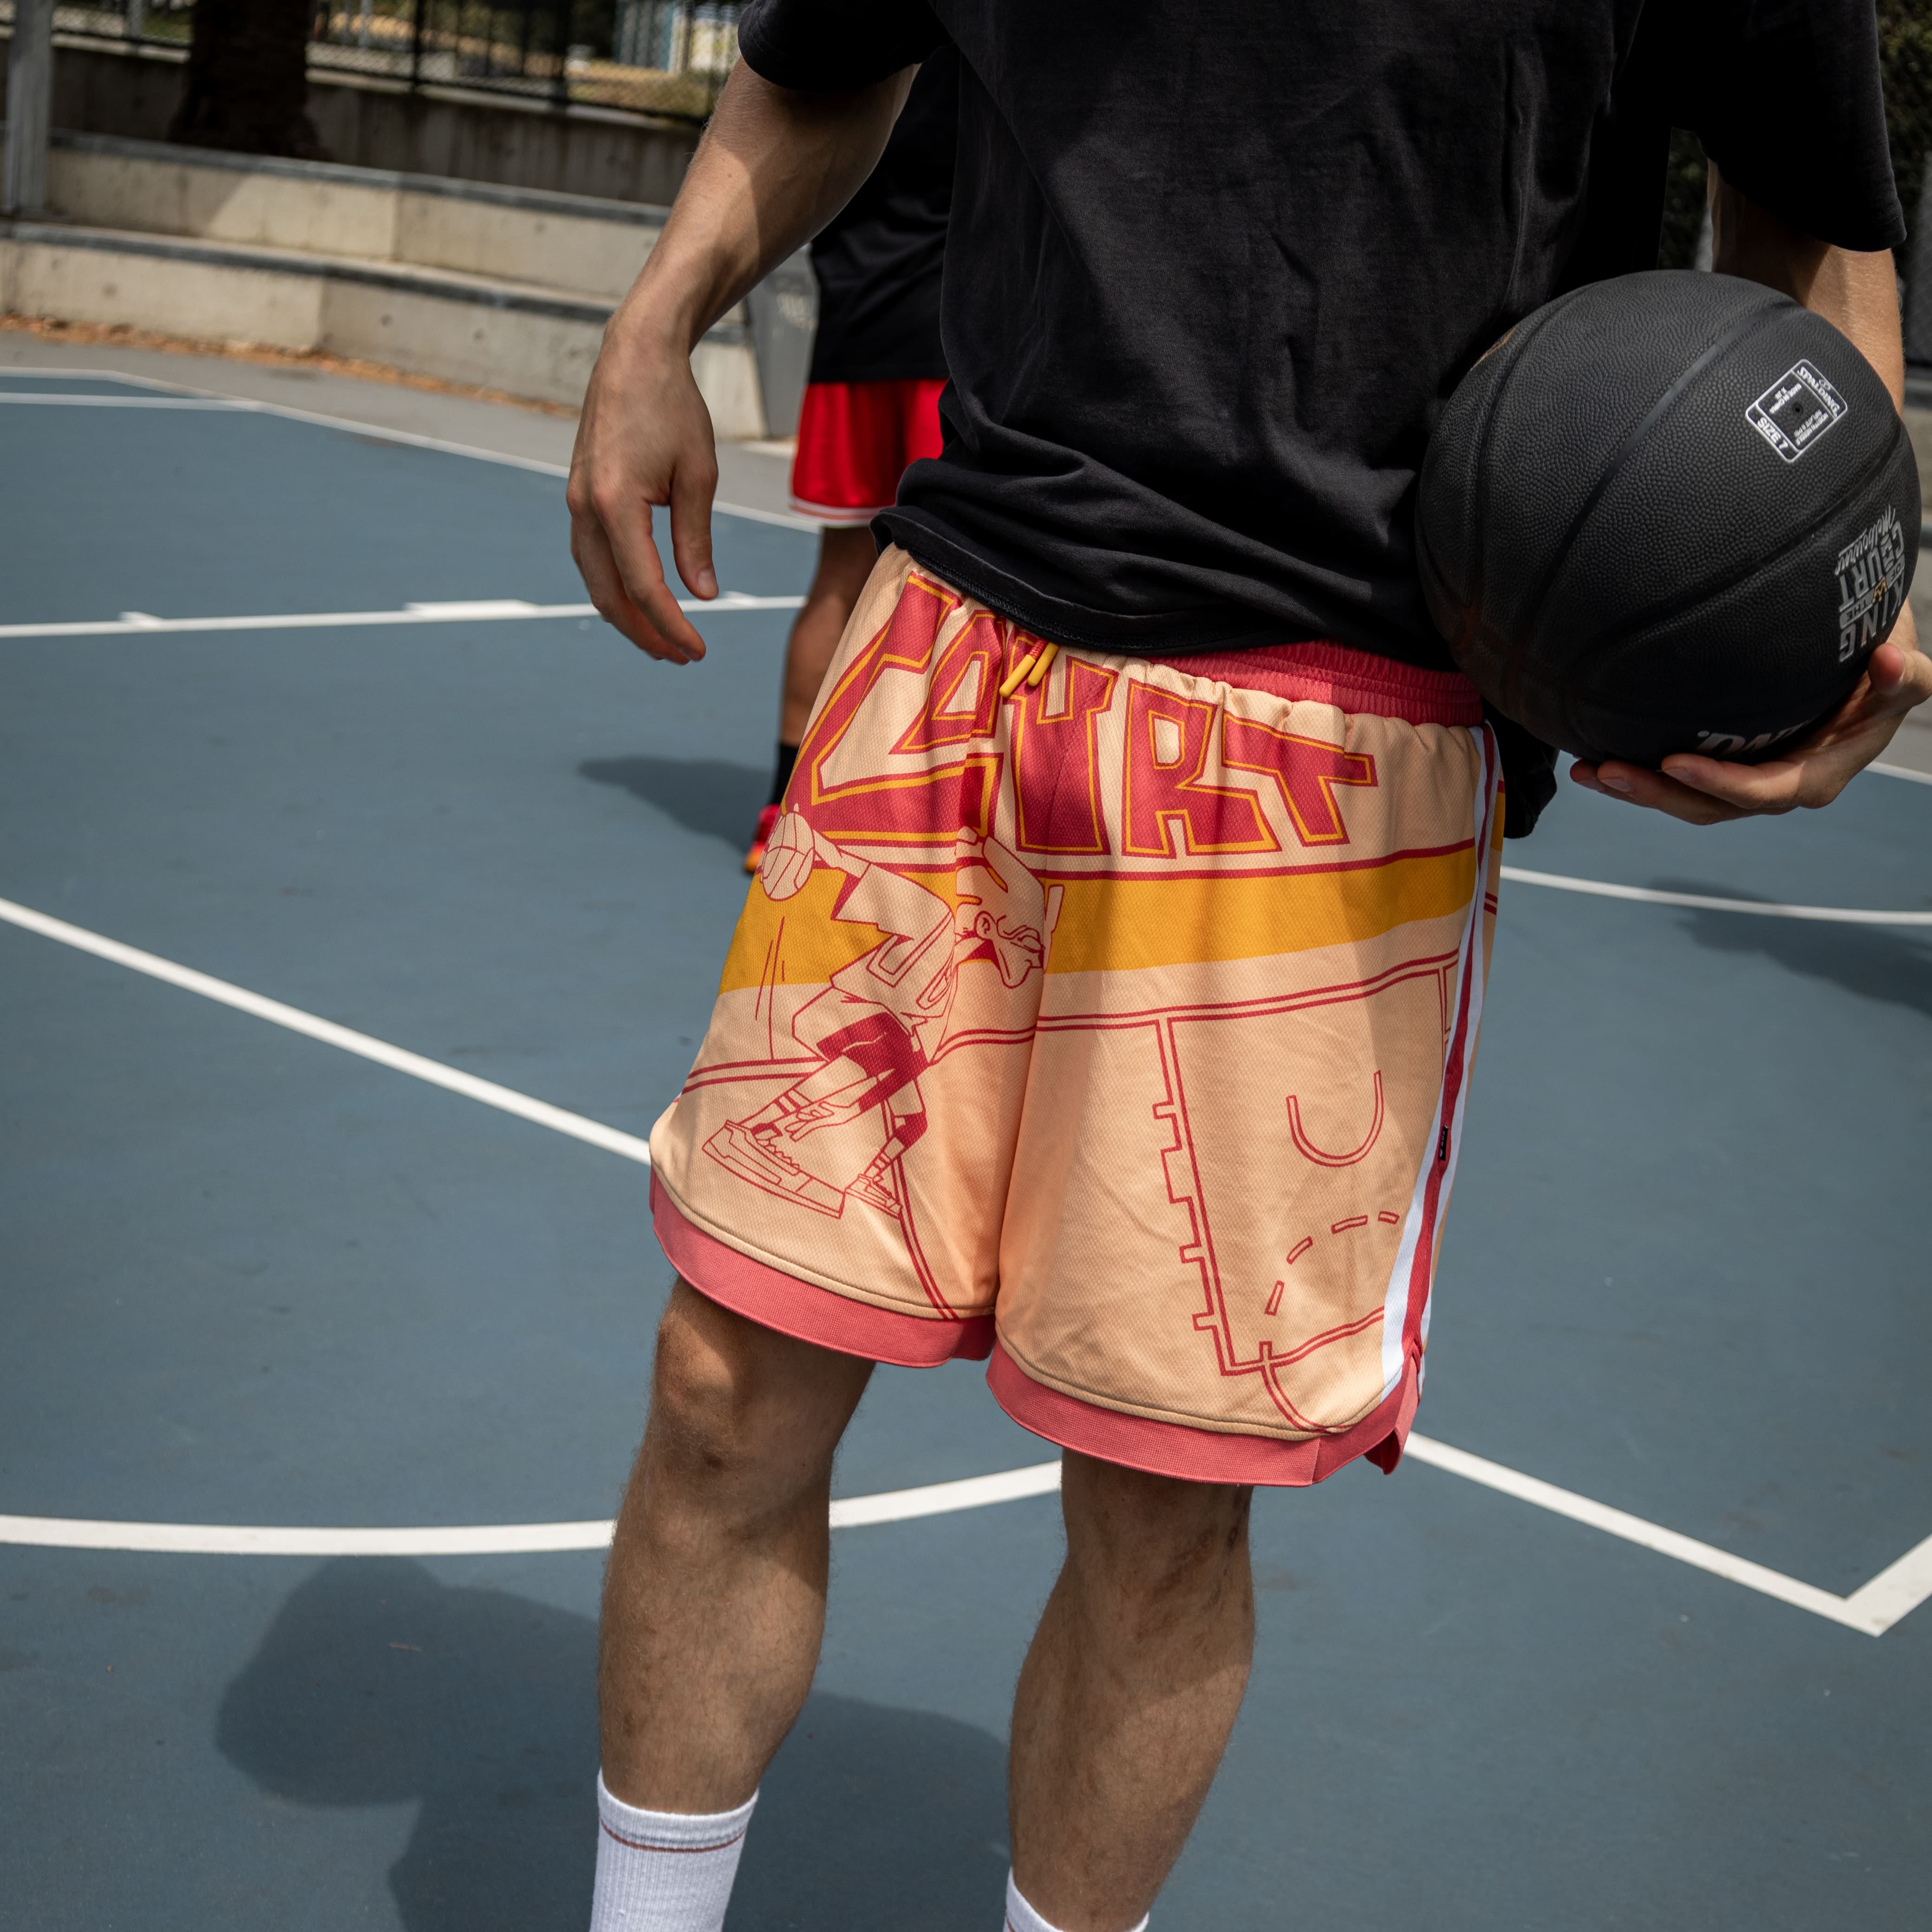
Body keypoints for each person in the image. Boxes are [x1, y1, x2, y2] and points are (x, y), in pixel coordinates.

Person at [566, 6, 1931, 1929]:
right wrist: (658, 314)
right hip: (955, 637)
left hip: (1333, 735)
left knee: (1157, 1506)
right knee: (719, 1387)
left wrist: (1831, 609)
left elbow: (1806, 211)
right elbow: (826, 56)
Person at [747, 47, 956, 873]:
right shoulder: (990, 49)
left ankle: (780, 816)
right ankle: (924, 823)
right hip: (948, 351)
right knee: (958, 594)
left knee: (837, 578)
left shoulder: (850, 46)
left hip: (850, 341)